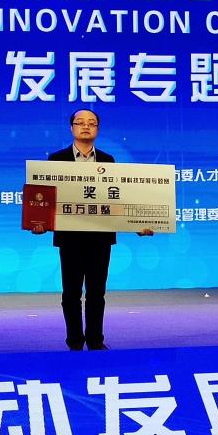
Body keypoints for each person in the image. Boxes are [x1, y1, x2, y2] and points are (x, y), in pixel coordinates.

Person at [31, 109, 151, 351]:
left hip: (100, 238)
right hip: (70, 239)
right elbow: (43, 196)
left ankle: (96, 340)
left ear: (97, 129)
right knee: (71, 294)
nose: (86, 126)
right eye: (80, 122)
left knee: (97, 293)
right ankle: (75, 341)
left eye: (92, 123)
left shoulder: (108, 160)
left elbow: (116, 198)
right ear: (71, 128)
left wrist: (137, 223)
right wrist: (39, 222)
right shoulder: (56, 160)